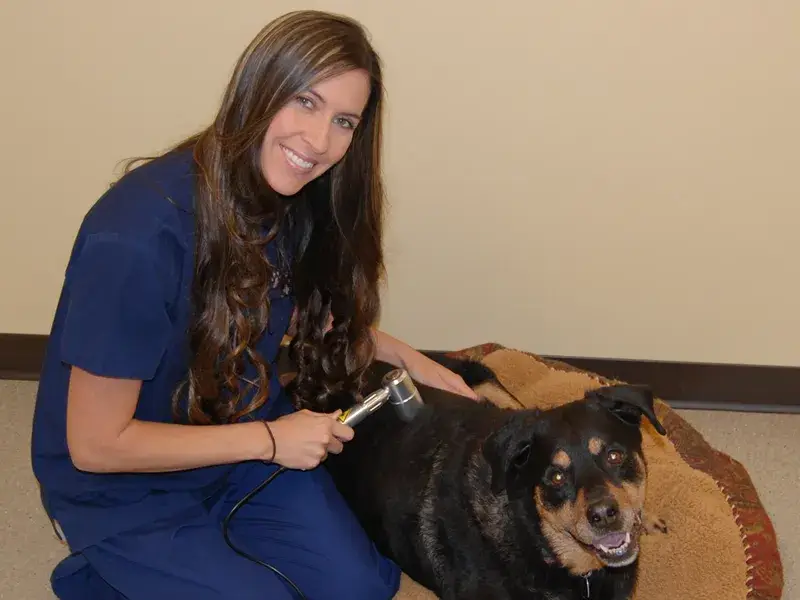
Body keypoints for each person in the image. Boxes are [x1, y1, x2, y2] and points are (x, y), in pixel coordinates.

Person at [30, 10, 478, 600]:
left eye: (344, 120)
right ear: (258, 87)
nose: (318, 143)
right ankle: (98, 568)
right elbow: (96, 445)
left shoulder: (290, 197)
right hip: (125, 484)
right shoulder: (136, 234)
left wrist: (410, 359)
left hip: (233, 432)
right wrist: (270, 441)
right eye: (305, 101)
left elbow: (299, 313)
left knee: (363, 589)